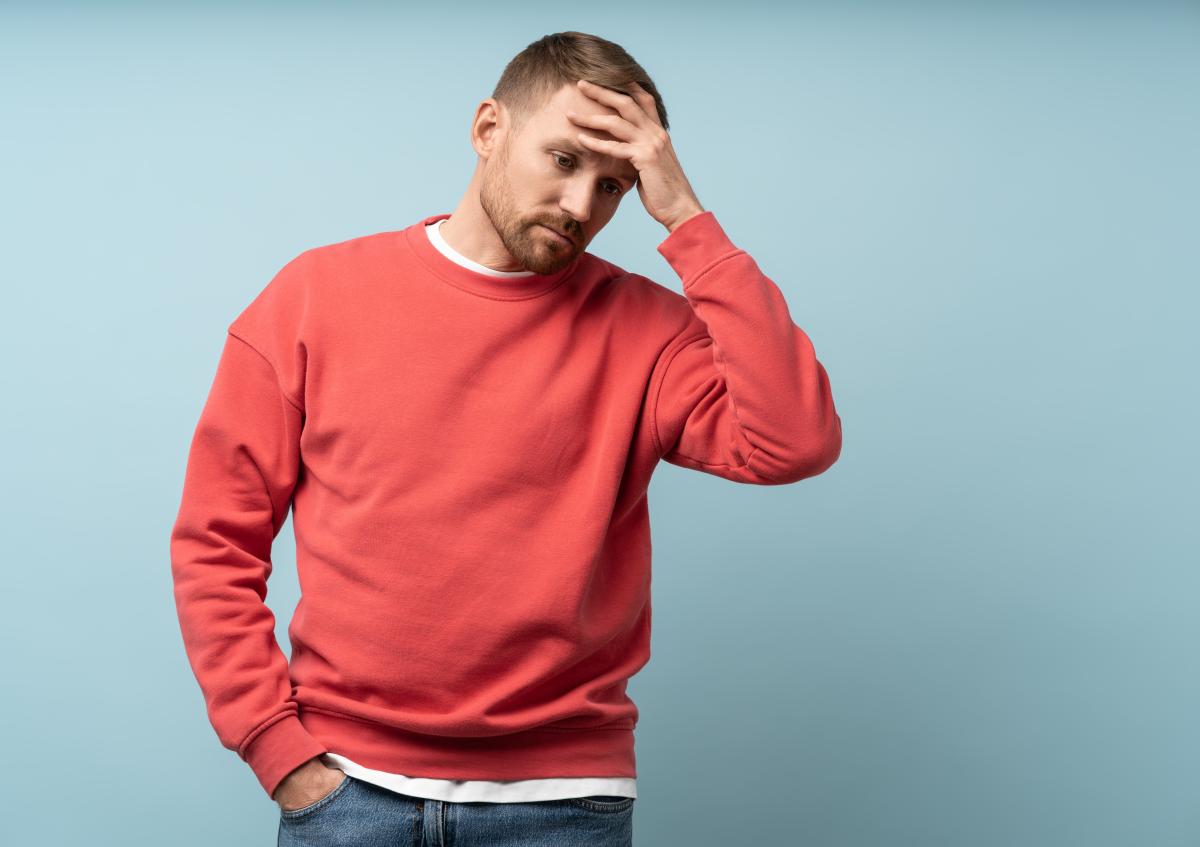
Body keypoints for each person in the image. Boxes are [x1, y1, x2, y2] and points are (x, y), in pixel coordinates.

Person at [170, 29, 842, 846]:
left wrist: (689, 221)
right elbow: (216, 540)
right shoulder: (315, 296)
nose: (581, 206)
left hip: (564, 801)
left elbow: (794, 441)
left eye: (614, 186)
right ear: (490, 129)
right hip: (347, 790)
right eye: (564, 161)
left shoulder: (650, 332)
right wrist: (274, 747)